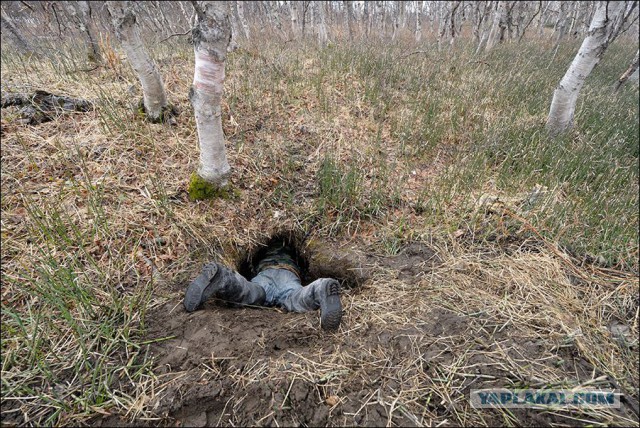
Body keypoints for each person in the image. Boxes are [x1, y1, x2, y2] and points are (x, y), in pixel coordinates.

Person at [183, 242, 343, 331]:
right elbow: (305, 265)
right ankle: (320, 287)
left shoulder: (261, 249)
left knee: (250, 293)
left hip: (265, 275)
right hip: (289, 274)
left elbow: (248, 264)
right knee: (296, 298)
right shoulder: (293, 252)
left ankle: (224, 277)